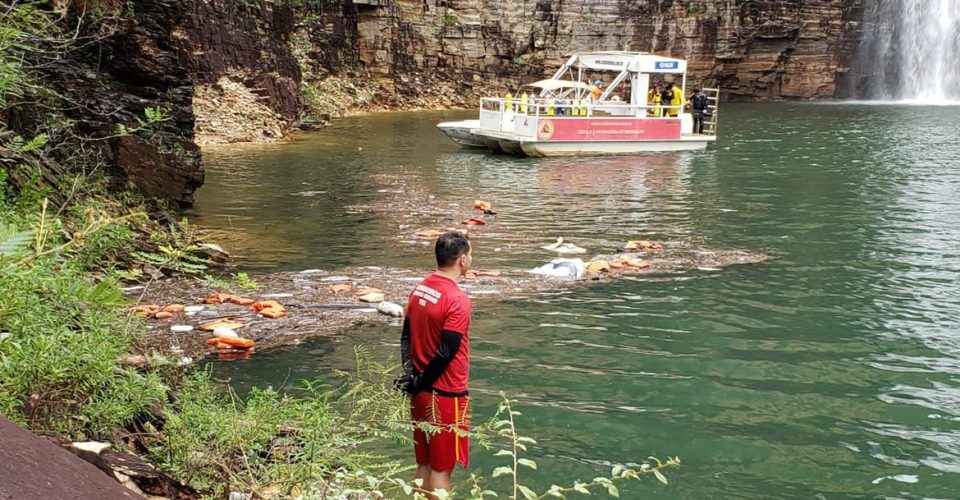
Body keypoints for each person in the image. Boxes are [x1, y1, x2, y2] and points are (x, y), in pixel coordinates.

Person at [399, 231, 473, 497]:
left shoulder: (420, 288)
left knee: (424, 464)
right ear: (462, 259)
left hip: (419, 392)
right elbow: (446, 351)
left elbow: (406, 336)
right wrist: (421, 380)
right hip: (446, 395)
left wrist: (411, 375)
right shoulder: (457, 299)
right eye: (471, 254)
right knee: (442, 469)